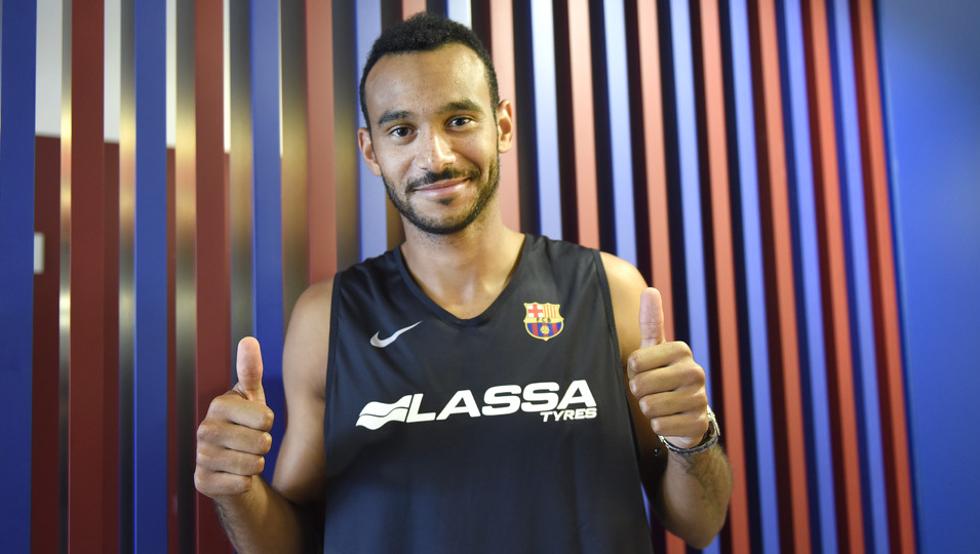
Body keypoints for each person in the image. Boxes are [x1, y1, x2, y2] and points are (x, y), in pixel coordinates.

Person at [195, 13, 731, 553]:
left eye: (458, 120)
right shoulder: (327, 318)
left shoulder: (610, 292)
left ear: (502, 126)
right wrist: (236, 491)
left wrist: (693, 438)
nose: (436, 157)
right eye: (401, 130)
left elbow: (700, 523)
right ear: (371, 150)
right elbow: (293, 543)